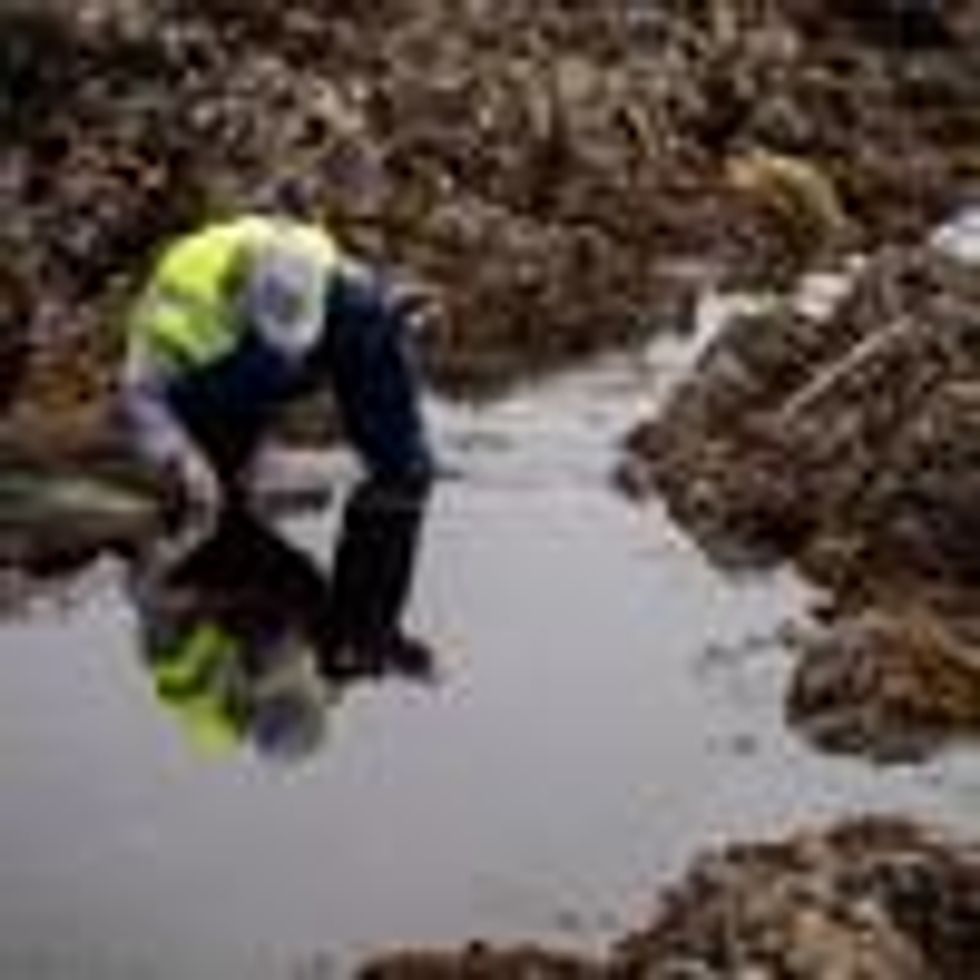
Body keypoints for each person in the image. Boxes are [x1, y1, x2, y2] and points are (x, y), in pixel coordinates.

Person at [120, 213, 434, 515]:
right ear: (241, 290)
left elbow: (371, 306)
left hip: (275, 339)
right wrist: (180, 458)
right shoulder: (185, 299)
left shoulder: (315, 260)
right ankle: (233, 461)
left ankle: (399, 470)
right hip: (225, 371)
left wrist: (397, 314)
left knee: (371, 320)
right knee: (224, 429)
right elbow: (140, 393)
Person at [128, 475, 435, 762]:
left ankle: (392, 490)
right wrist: (375, 656)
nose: (312, 693)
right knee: (342, 630)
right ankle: (390, 495)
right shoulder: (244, 702)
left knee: (336, 625)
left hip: (187, 571)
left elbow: (188, 635)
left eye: (310, 704)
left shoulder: (234, 696)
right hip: (198, 579)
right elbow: (310, 661)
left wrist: (366, 649)